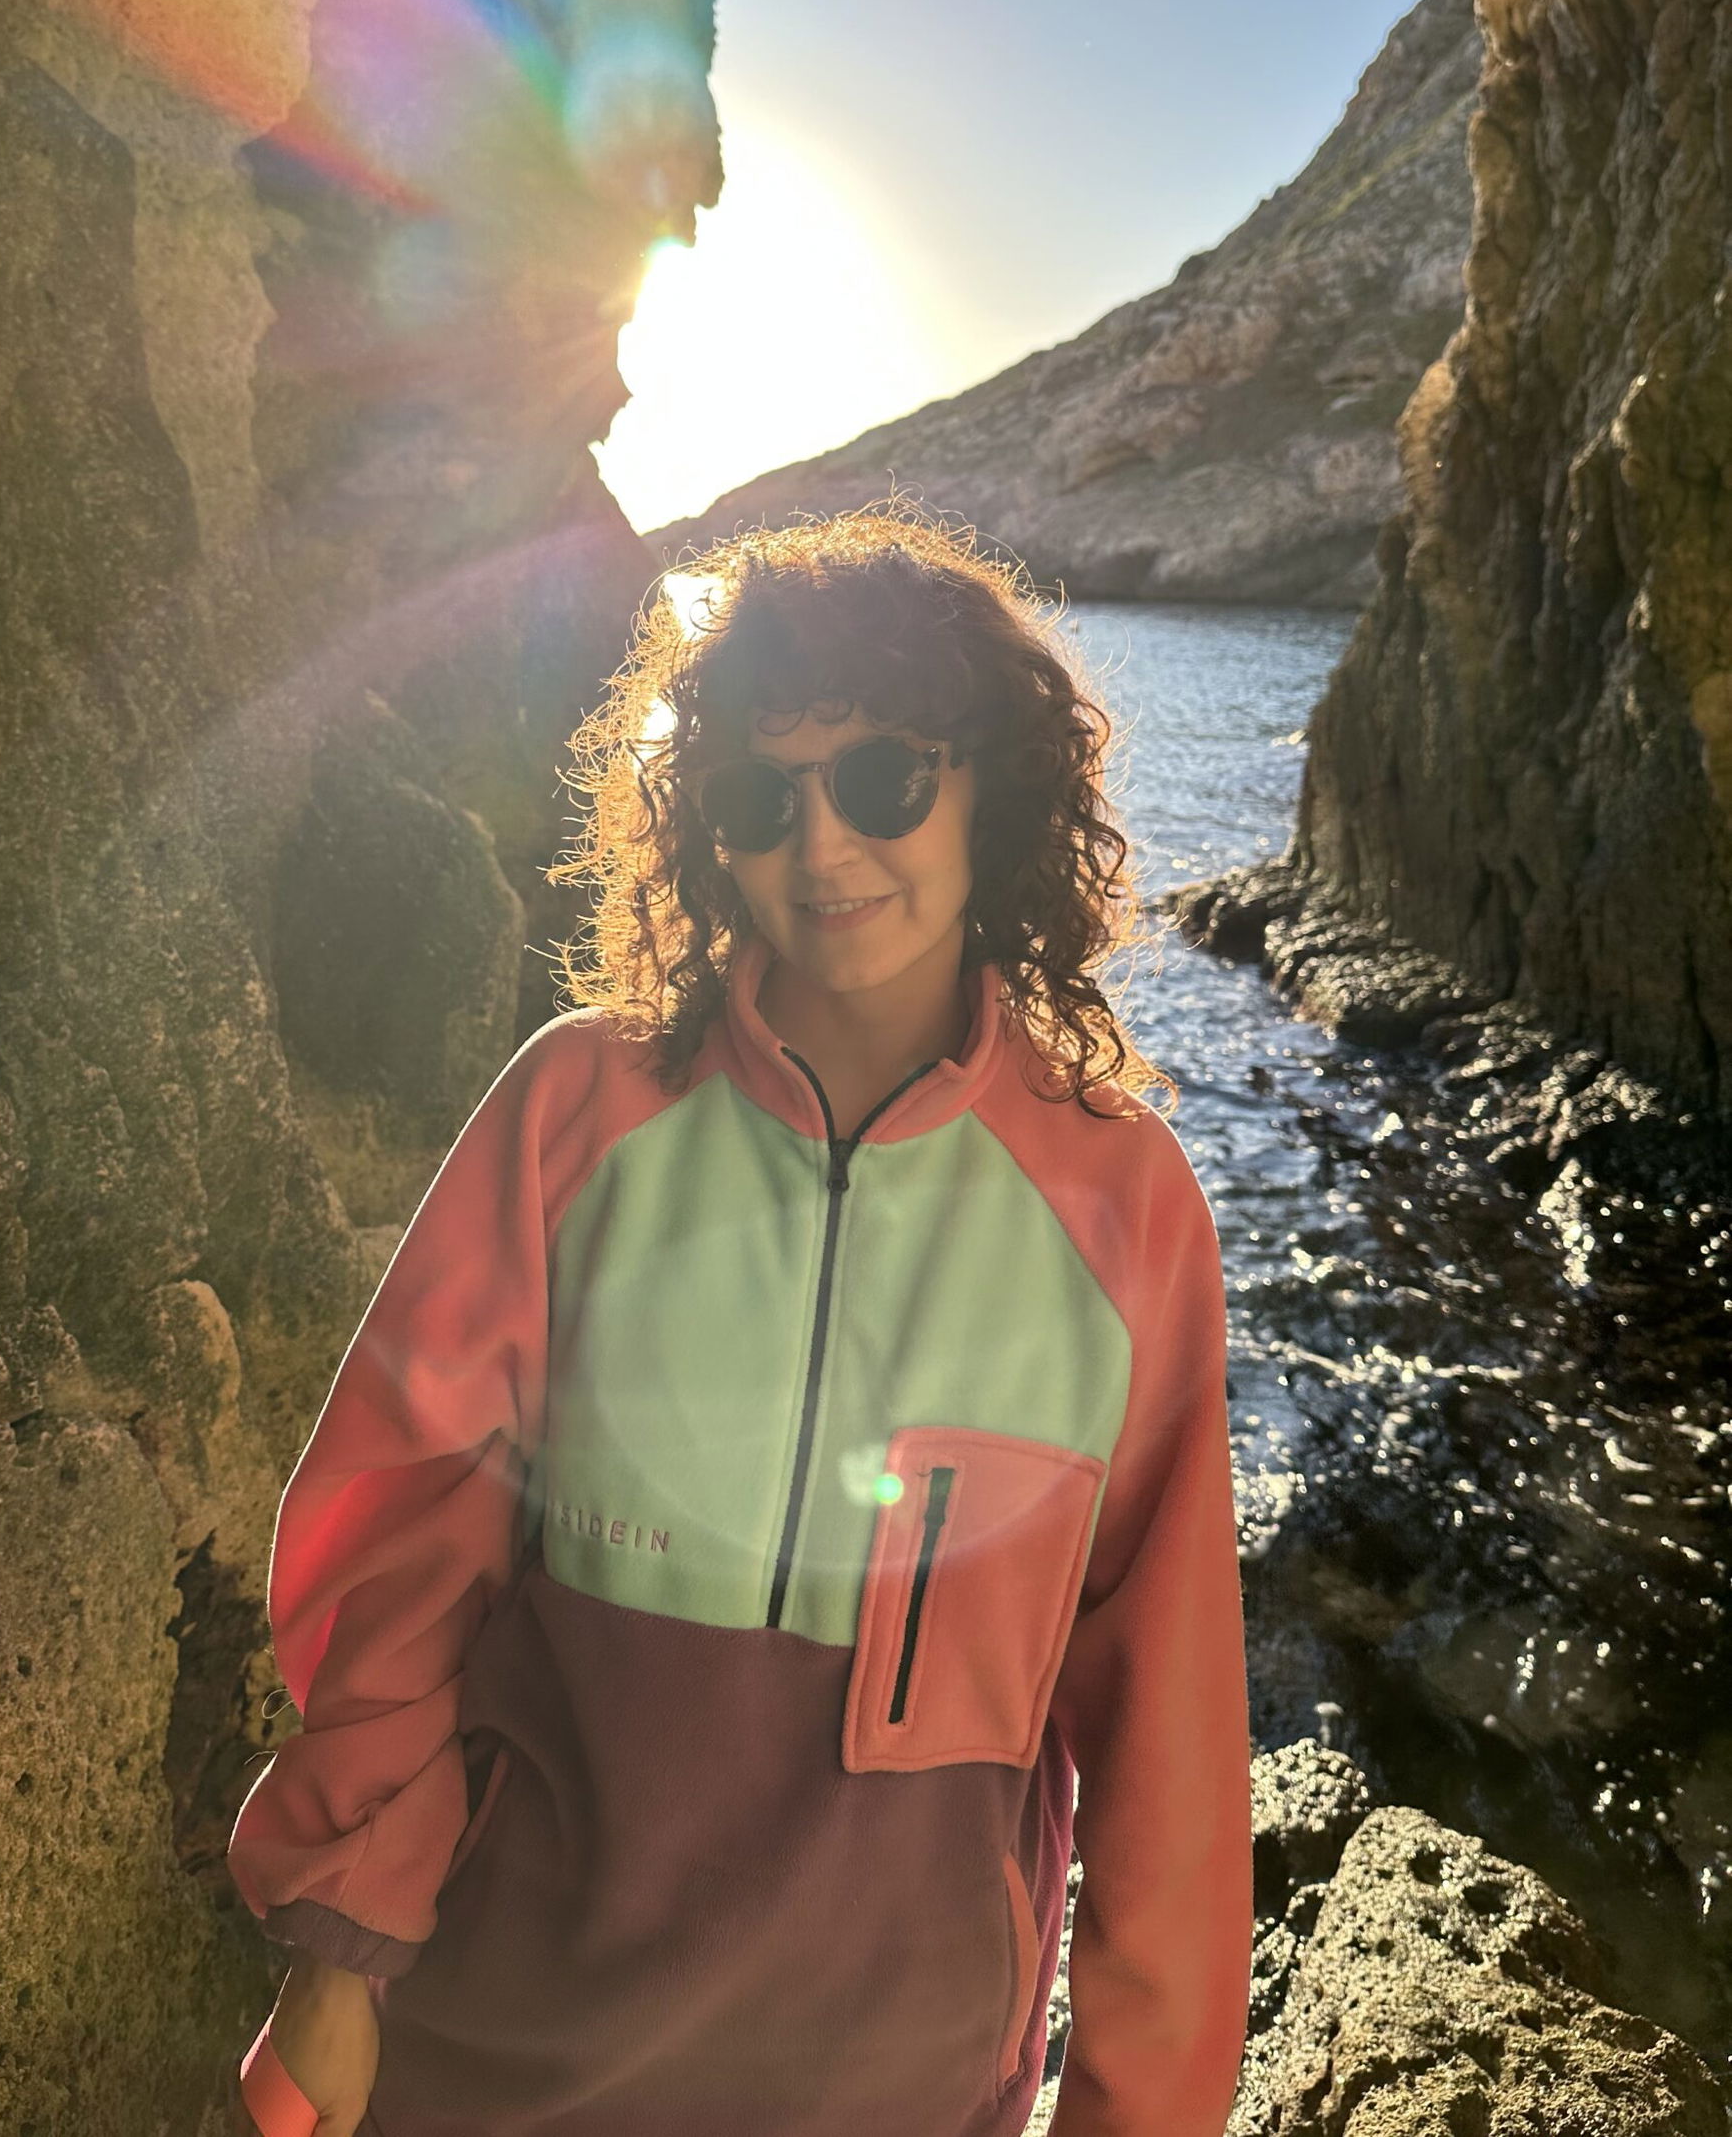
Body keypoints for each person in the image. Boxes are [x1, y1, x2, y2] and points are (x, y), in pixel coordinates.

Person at [226, 505, 1254, 2137]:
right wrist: (341, 1956)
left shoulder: (1124, 1210)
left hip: (900, 2091)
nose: (823, 847)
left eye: (883, 781)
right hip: (499, 2048)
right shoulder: (576, 1108)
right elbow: (398, 1555)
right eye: (761, 798)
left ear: (989, 783)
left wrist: (1144, 2109)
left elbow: (1172, 1748)